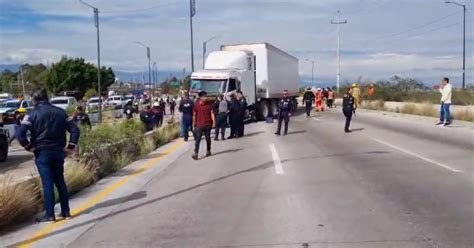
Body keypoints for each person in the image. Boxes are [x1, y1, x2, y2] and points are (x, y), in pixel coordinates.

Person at [16, 87, 80, 222]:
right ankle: (66, 211)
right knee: (60, 181)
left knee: (47, 183)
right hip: (58, 152)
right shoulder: (61, 113)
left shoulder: (31, 115)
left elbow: (20, 135)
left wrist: (30, 148)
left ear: (34, 100)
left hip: (42, 153)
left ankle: (50, 214)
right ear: (47, 98)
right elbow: (75, 130)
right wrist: (70, 147)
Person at [192, 91, 215, 160]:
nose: (206, 97)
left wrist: (214, 122)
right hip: (199, 125)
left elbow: (212, 113)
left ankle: (208, 150)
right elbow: (194, 115)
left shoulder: (209, 104)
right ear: (200, 97)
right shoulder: (196, 105)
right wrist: (193, 125)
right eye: (204, 96)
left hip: (207, 124)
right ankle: (196, 153)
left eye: (206, 96)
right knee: (198, 140)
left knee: (208, 138)